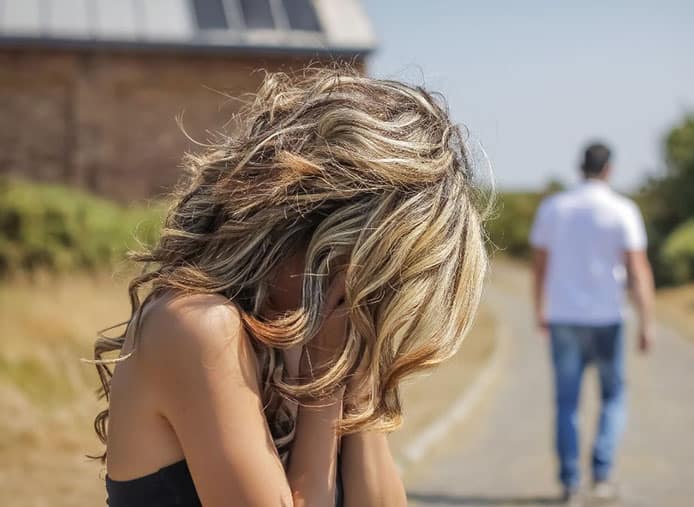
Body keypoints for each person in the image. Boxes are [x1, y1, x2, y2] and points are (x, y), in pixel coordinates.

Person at [90, 67, 488, 507]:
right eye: (370, 273)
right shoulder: (197, 327)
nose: (368, 298)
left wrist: (350, 370)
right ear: (309, 228)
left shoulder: (321, 331)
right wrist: (321, 385)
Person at [529, 142, 655, 503]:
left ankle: (570, 482)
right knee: (613, 397)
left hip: (564, 317)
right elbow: (638, 269)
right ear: (609, 169)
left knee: (567, 402)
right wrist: (647, 322)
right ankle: (601, 475)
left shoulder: (554, 208)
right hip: (607, 319)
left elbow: (539, 266)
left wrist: (539, 309)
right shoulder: (623, 210)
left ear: (579, 167)